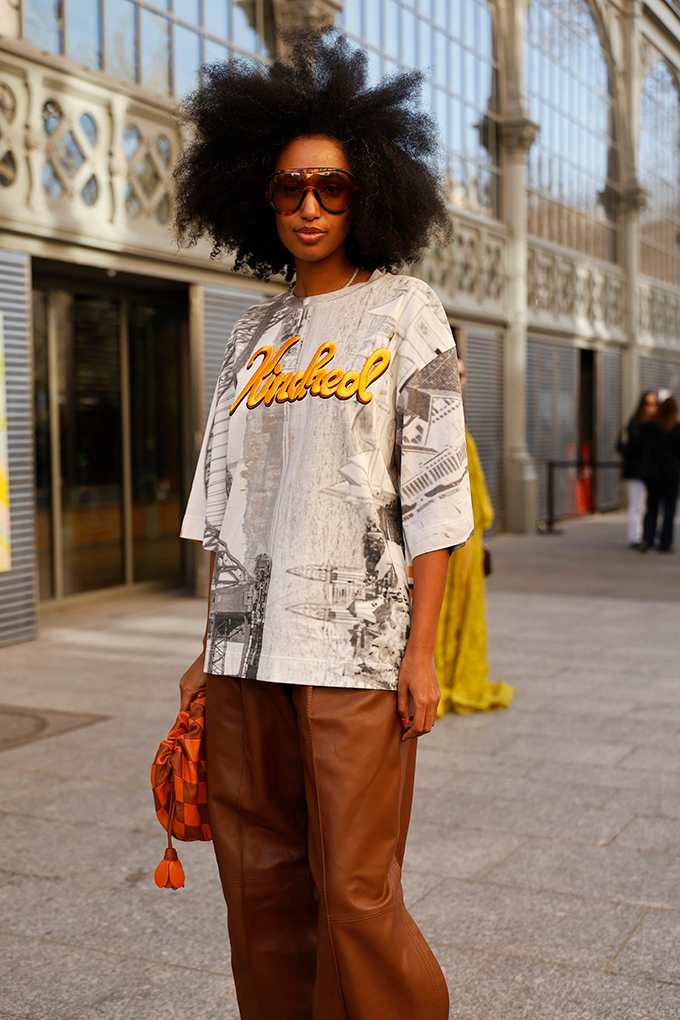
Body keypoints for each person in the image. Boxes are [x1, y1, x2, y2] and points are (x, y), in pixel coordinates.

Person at [174, 32, 473, 1020]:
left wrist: (421, 655)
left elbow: (435, 498)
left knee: (354, 893)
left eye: (332, 187)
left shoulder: (405, 310)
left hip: (357, 652)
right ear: (259, 198)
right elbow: (222, 501)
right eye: (290, 187)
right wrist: (204, 650)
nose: (309, 205)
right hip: (244, 654)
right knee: (259, 888)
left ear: (368, 193)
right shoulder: (249, 333)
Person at [434, 330, 513, 715]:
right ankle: (438, 679)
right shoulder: (434, 422)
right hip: (444, 538)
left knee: (464, 612)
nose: (461, 382)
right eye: (455, 374)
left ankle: (453, 677)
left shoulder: (458, 422)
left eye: (463, 375)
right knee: (439, 611)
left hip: (470, 539)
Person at [617, 390, 658, 548]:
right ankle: (635, 537)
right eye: (648, 404)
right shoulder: (635, 422)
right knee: (636, 505)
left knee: (651, 505)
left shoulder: (658, 423)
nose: (651, 407)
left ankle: (649, 535)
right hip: (637, 470)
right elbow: (635, 445)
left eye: (654, 404)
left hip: (654, 471)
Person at [640, 395, 680, 554]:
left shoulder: (651, 426)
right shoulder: (677, 428)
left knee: (652, 508)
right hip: (671, 474)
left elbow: (643, 447)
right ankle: (665, 542)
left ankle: (648, 539)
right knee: (669, 510)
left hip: (653, 474)